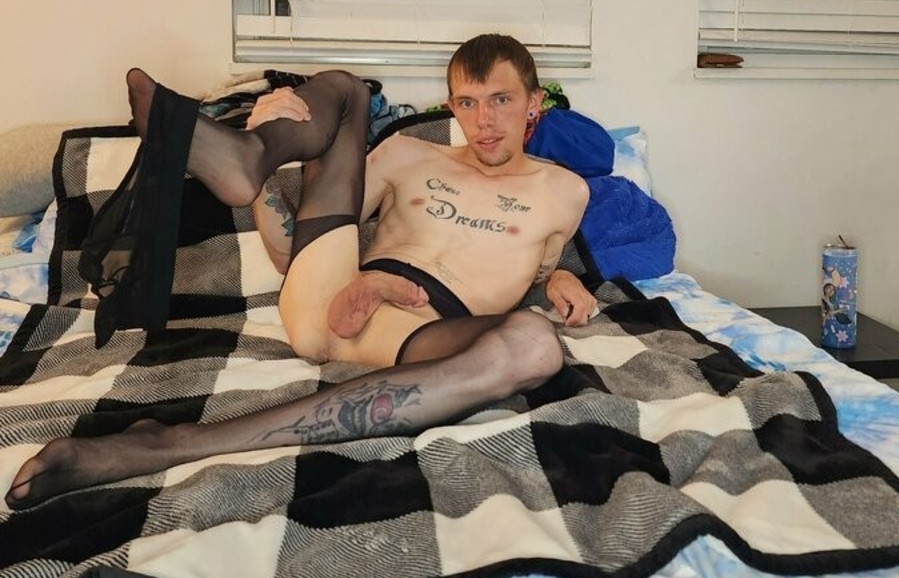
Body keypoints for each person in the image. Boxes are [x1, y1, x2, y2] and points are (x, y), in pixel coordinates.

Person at [6, 35, 597, 510]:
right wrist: (264, 174)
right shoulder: (407, 155)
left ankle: (168, 442)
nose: (484, 120)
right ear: (451, 106)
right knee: (344, 90)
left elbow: (534, 276)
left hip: (423, 335)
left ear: (533, 103)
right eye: (467, 103)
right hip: (330, 296)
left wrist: (559, 280)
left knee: (534, 344)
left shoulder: (564, 192)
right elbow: (299, 250)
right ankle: (250, 155)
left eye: (500, 100)